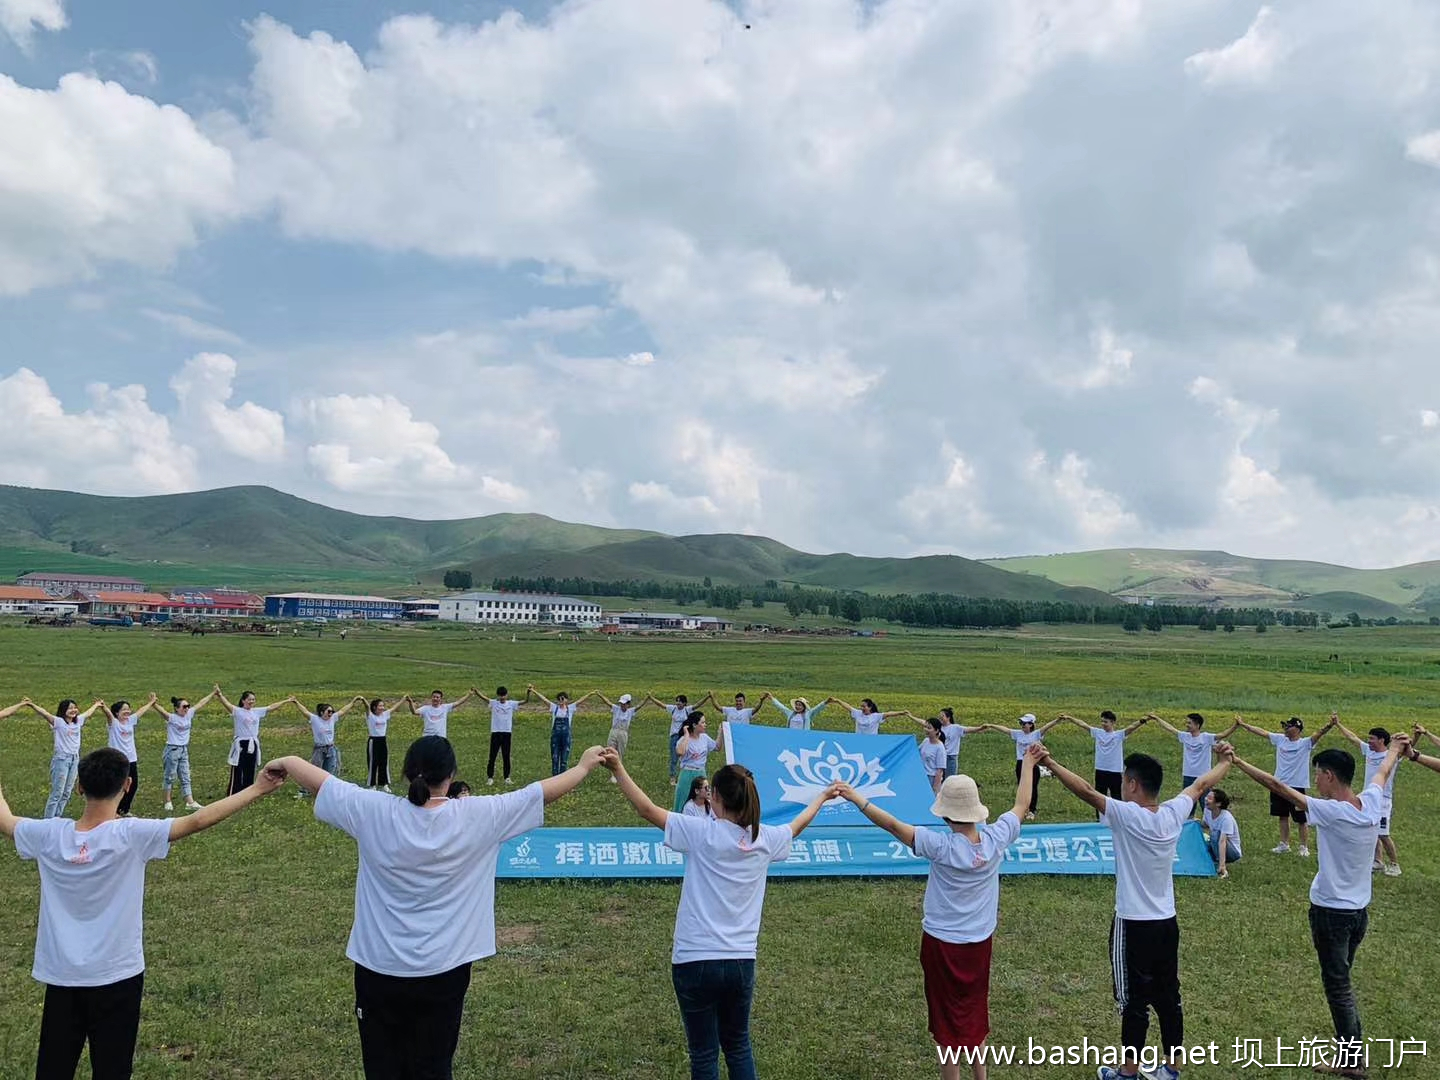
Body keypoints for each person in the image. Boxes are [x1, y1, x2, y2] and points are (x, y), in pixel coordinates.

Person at [268, 735, 604, 1080]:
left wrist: (287, 761)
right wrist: (582, 766)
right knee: (433, 1066)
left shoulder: (372, 810)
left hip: (378, 971)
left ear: (406, 772)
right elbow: (539, 792)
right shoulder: (479, 815)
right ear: (452, 774)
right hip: (445, 971)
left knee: (382, 1068)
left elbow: (323, 783)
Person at [0, 745, 280, 1080]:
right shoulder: (131, 835)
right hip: (118, 976)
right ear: (128, 785)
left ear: (79, 787)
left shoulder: (48, 835)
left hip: (62, 978)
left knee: (54, 1067)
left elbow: (6, 820)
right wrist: (258, 787)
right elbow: (199, 818)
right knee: (113, 1068)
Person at [601, 749, 837, 1080]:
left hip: (694, 960)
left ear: (715, 799)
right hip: (741, 962)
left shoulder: (701, 833)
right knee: (738, 1046)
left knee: (704, 1054)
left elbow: (646, 809)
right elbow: (795, 826)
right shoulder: (764, 839)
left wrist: (618, 768)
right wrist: (822, 797)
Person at [835, 747, 1040, 1080]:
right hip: (979, 944)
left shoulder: (939, 846)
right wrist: (1028, 764)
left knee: (946, 1022)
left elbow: (892, 825)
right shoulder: (996, 839)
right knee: (975, 1011)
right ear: (977, 811)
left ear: (946, 815)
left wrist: (857, 798)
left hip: (941, 945)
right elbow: (1021, 804)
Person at [1037, 741, 1233, 1080]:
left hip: (1133, 924)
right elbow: (1201, 785)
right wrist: (1226, 761)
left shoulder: (1127, 815)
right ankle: (1171, 1068)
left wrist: (1050, 763)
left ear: (1131, 784)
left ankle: (1127, 1073)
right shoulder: (1174, 812)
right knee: (1169, 997)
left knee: (1134, 1002)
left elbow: (1085, 790)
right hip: (1166, 922)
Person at [1221, 737, 1403, 1073]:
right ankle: (1349, 1053)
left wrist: (1238, 761)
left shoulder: (1333, 811)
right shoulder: (1371, 802)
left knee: (1338, 987)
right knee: (1341, 981)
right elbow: (1382, 773)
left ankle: (1352, 1061)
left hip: (1332, 914)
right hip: (1358, 913)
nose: (1315, 780)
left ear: (1331, 776)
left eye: (1318, 774)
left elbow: (1278, 785)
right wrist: (1394, 750)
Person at [1233, 713, 1337, 856]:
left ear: (1297, 729)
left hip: (1297, 786)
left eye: (1289, 726)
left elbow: (1319, 733)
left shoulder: (1305, 743)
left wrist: (1330, 724)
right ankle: (1284, 844)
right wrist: (1244, 724)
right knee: (1282, 816)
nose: (1285, 729)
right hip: (1278, 784)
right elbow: (1262, 732)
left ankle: (1303, 847)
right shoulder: (1280, 740)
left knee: (1301, 819)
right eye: (1285, 726)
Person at [21, 698, 107, 819]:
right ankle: (48, 821)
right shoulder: (58, 722)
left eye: (75, 707)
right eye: (70, 708)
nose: (73, 710)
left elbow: (88, 713)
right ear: (63, 710)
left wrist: (97, 705)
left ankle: (57, 817)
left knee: (67, 792)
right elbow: (44, 713)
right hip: (62, 760)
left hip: (74, 759)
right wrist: (31, 705)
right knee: (57, 792)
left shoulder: (78, 721)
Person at [1335, 721, 1401, 876]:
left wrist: (1417, 734)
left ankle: (1394, 864)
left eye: (1372, 738)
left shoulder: (1390, 756)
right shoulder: (1369, 751)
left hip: (1383, 800)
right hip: (1368, 797)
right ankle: (1378, 861)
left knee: (1383, 833)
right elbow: (1352, 737)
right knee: (1372, 828)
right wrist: (1337, 724)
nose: (1369, 741)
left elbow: (1406, 749)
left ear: (1381, 740)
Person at [1145, 712, 1238, 819]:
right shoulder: (1185, 737)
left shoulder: (1206, 738)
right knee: (1188, 805)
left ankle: (1210, 824)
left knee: (1206, 805)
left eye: (1189, 723)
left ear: (1197, 725)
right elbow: (1170, 728)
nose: (1187, 725)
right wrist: (1157, 718)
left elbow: (1223, 734)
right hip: (1188, 776)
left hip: (1204, 777)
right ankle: (1189, 825)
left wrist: (1235, 725)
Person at [215, 686, 296, 795]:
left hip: (253, 744)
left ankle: (247, 793)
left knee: (250, 769)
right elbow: (227, 704)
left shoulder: (256, 712)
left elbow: (271, 707)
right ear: (243, 700)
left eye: (253, 699)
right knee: (238, 769)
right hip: (241, 744)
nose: (251, 701)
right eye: (249, 699)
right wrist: (220, 695)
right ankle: (233, 794)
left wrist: (286, 701)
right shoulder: (238, 711)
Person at [1065, 711, 1146, 816]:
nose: (1103, 724)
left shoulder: (1118, 735)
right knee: (1098, 796)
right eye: (1102, 721)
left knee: (1116, 796)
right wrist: (1070, 718)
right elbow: (1083, 724)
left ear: (1112, 722)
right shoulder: (1098, 732)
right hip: (1100, 769)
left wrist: (1142, 721)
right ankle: (1099, 818)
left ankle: (1118, 817)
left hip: (1115, 771)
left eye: (1106, 722)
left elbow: (1131, 728)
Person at [160, 689, 217, 811]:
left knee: (185, 776)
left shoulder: (189, 714)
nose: (186, 709)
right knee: (169, 776)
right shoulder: (172, 718)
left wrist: (213, 693)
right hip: (172, 749)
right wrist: (153, 703)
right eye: (184, 707)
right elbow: (162, 712)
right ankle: (167, 802)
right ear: (176, 708)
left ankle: (190, 802)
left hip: (183, 749)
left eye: (188, 706)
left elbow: (201, 703)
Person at [296, 696, 364, 798]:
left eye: (332, 711)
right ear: (322, 712)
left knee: (329, 772)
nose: (331, 713)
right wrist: (296, 702)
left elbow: (343, 710)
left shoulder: (332, 719)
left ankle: (326, 791)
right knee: (314, 770)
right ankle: (304, 791)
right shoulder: (315, 719)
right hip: (319, 749)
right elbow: (305, 711)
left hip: (331, 749)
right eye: (329, 711)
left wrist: (353, 701)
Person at [106, 696, 160, 817]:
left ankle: (124, 809)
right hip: (117, 759)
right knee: (118, 785)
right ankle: (113, 810)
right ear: (116, 712)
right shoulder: (113, 723)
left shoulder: (130, 721)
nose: (127, 711)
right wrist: (103, 707)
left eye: (128, 709)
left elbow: (141, 711)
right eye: (124, 710)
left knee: (133, 785)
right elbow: (108, 715)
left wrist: (151, 703)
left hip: (131, 758)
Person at [1003, 714, 1061, 819]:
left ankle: (1031, 810)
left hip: (1033, 764)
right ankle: (1023, 810)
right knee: (1022, 787)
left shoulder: (1036, 734)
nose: (1022, 725)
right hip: (1021, 763)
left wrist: (1057, 720)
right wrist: (991, 725)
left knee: (1033, 787)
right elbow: (1005, 730)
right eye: (1021, 723)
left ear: (1031, 724)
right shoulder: (1018, 734)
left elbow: (1047, 726)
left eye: (1024, 723)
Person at [473, 686, 531, 786]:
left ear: (507, 695)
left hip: (507, 733)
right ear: (498, 695)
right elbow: (484, 698)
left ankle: (507, 777)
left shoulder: (511, 704)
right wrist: (476, 691)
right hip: (496, 732)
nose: (502, 698)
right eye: (500, 696)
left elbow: (525, 701)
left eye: (504, 695)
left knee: (506, 756)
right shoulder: (494, 703)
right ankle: (490, 777)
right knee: (492, 756)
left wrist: (528, 692)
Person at [529, 687, 594, 776]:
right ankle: (555, 777)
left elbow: (580, 701)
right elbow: (543, 699)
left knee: (564, 759)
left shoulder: (570, 708)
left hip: (566, 737)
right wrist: (533, 691)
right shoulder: (554, 708)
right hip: (555, 737)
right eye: (559, 698)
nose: (561, 700)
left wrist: (590, 694)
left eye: (563, 698)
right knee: (555, 758)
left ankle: (562, 779)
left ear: (566, 700)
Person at [930, 708, 1002, 778]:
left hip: (950, 757)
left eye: (942, 716)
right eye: (939, 716)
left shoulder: (956, 728)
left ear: (948, 717)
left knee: (950, 779)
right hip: (940, 756)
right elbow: (926, 723)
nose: (940, 717)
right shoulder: (938, 728)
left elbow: (968, 729)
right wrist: (918, 719)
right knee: (938, 778)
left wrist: (980, 728)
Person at [672, 713, 720, 812]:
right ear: (694, 725)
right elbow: (680, 752)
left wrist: (721, 732)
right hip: (687, 773)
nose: (705, 724)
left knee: (703, 800)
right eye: (702, 722)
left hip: (701, 774)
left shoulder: (705, 737)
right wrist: (686, 735)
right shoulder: (684, 739)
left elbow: (717, 747)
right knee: (683, 800)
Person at [648, 692, 698, 786]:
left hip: (684, 736)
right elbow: (661, 705)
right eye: (677, 702)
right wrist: (651, 698)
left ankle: (684, 777)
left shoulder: (687, 710)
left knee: (686, 757)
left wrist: (708, 697)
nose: (678, 704)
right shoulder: (673, 709)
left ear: (684, 703)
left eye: (680, 702)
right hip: (674, 736)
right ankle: (672, 778)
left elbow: (697, 705)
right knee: (674, 758)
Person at [596, 692, 641, 781]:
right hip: (614, 731)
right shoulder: (616, 709)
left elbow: (639, 706)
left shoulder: (630, 711)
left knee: (619, 753)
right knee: (610, 751)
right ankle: (612, 775)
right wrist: (600, 695)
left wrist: (648, 698)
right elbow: (607, 702)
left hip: (623, 733)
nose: (622, 706)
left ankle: (618, 774)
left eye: (624, 704)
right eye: (621, 704)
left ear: (628, 704)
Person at [404, 689, 477, 740]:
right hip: (427, 738)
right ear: (431, 698)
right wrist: (410, 702)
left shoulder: (445, 707)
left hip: (441, 739)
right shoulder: (425, 709)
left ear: (440, 699)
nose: (435, 699)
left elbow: (458, 702)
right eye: (434, 697)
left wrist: (469, 695)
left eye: (437, 697)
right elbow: (414, 712)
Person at [1202, 789, 1241, 879]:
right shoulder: (1207, 810)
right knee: (1202, 839)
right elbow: (1205, 824)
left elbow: (1222, 841)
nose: (1206, 799)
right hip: (1216, 843)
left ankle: (1219, 863)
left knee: (1215, 835)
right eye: (1207, 797)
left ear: (1218, 804)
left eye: (1210, 798)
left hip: (1232, 852)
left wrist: (1222, 865)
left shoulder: (1226, 818)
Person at [831, 696, 907, 735]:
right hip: (858, 740)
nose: (862, 708)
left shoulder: (876, 716)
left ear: (870, 707)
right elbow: (847, 706)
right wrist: (837, 701)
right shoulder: (858, 713)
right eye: (861, 706)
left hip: (871, 742)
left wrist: (902, 712)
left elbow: (889, 714)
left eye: (864, 706)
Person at [364, 698, 395, 792]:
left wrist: (403, 699)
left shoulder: (385, 715)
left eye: (383, 706)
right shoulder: (370, 716)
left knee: (384, 762)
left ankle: (384, 783)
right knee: (373, 762)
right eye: (380, 706)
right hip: (373, 741)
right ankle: (372, 784)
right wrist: (362, 699)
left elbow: (394, 708)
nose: (382, 708)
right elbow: (366, 706)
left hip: (383, 740)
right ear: (374, 707)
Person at [919, 719, 947, 795]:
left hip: (931, 778)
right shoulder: (925, 741)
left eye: (929, 728)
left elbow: (940, 770)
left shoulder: (940, 747)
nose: (926, 729)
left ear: (936, 730)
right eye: (926, 727)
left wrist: (935, 787)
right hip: (922, 776)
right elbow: (916, 752)